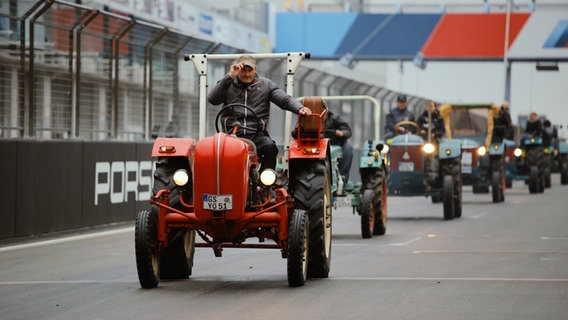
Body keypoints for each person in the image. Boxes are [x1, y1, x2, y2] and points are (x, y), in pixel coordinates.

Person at [207, 54, 311, 171]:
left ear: (255, 69)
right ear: (237, 70)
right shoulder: (227, 83)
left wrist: (299, 108)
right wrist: (230, 76)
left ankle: (263, 183)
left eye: (249, 70)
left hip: (256, 135)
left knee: (270, 148)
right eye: (243, 70)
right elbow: (212, 99)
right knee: (212, 151)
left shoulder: (266, 85)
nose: (247, 74)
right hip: (230, 135)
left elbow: (284, 100)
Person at [323, 109, 353, 181]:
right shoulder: (310, 121)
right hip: (320, 146)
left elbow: (347, 130)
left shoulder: (335, 119)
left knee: (348, 148)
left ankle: (343, 176)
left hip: (336, 143)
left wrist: (342, 133)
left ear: (326, 111)